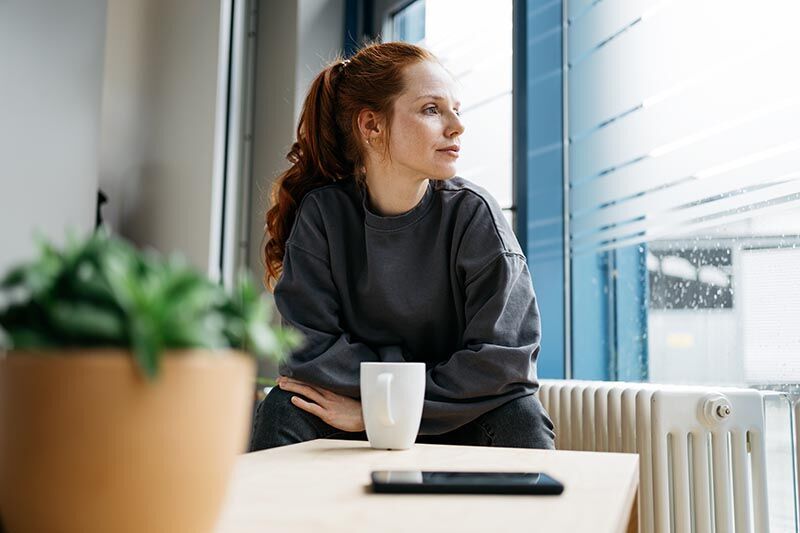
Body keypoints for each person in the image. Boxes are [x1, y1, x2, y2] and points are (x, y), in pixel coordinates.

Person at [249, 41, 555, 451]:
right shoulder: (322, 215)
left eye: (456, 110)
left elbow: (504, 361)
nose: (457, 126)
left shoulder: (476, 215)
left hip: (453, 413)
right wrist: (382, 407)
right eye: (432, 109)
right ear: (371, 126)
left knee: (520, 414)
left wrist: (382, 410)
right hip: (351, 411)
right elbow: (309, 351)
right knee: (284, 407)